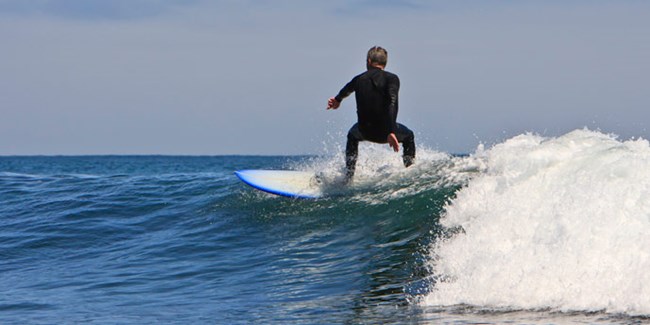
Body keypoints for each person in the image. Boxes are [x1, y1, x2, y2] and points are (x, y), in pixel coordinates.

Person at [327, 46, 416, 182]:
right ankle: (410, 174)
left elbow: (346, 90)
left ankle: (349, 177)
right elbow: (393, 102)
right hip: (386, 132)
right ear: (384, 63)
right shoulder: (392, 78)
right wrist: (391, 131)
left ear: (368, 61)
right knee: (409, 136)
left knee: (352, 135)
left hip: (364, 131)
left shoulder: (359, 79)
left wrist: (337, 100)